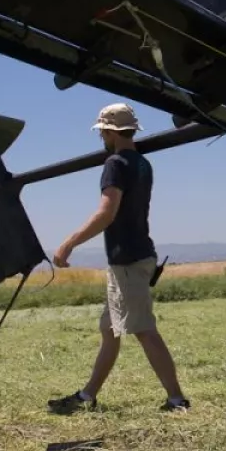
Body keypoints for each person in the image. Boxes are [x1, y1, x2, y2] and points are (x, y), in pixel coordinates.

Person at [46, 102, 191, 415]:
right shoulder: (142, 163)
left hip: (128, 260)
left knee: (144, 330)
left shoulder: (114, 163)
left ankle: (177, 400)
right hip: (136, 256)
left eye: (102, 132)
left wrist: (68, 244)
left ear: (110, 132)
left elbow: (106, 212)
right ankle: (87, 396)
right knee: (110, 330)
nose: (102, 137)